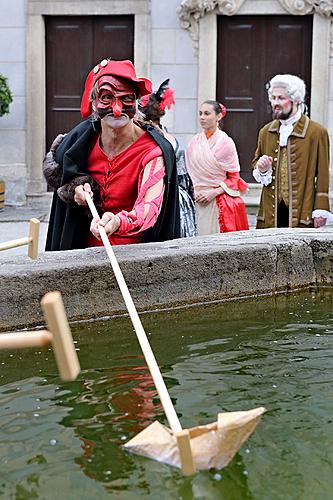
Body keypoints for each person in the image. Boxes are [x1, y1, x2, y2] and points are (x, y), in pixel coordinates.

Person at [43, 59, 180, 251]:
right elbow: (66, 182)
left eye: (126, 99)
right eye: (106, 97)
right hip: (82, 253)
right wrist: (76, 191)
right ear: (93, 103)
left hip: (134, 256)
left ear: (137, 102)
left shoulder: (153, 151)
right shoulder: (78, 144)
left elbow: (149, 208)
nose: (117, 109)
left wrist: (118, 221)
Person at [252, 74, 331, 229]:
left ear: (296, 99)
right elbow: (256, 162)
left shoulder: (316, 132)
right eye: (273, 97)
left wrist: (321, 208)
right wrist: (262, 168)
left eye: (281, 98)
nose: (275, 103)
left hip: (303, 208)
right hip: (271, 211)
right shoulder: (266, 131)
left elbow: (322, 174)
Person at [138, 79, 197, 237]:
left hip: (158, 199)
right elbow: (183, 177)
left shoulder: (144, 137)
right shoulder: (169, 136)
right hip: (177, 196)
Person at [185, 100, 249, 235]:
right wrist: (194, 192)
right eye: (200, 113)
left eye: (207, 113)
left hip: (216, 199)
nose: (202, 117)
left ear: (218, 117)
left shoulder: (226, 143)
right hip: (196, 198)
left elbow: (234, 177)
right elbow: (189, 173)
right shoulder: (193, 142)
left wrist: (213, 193)